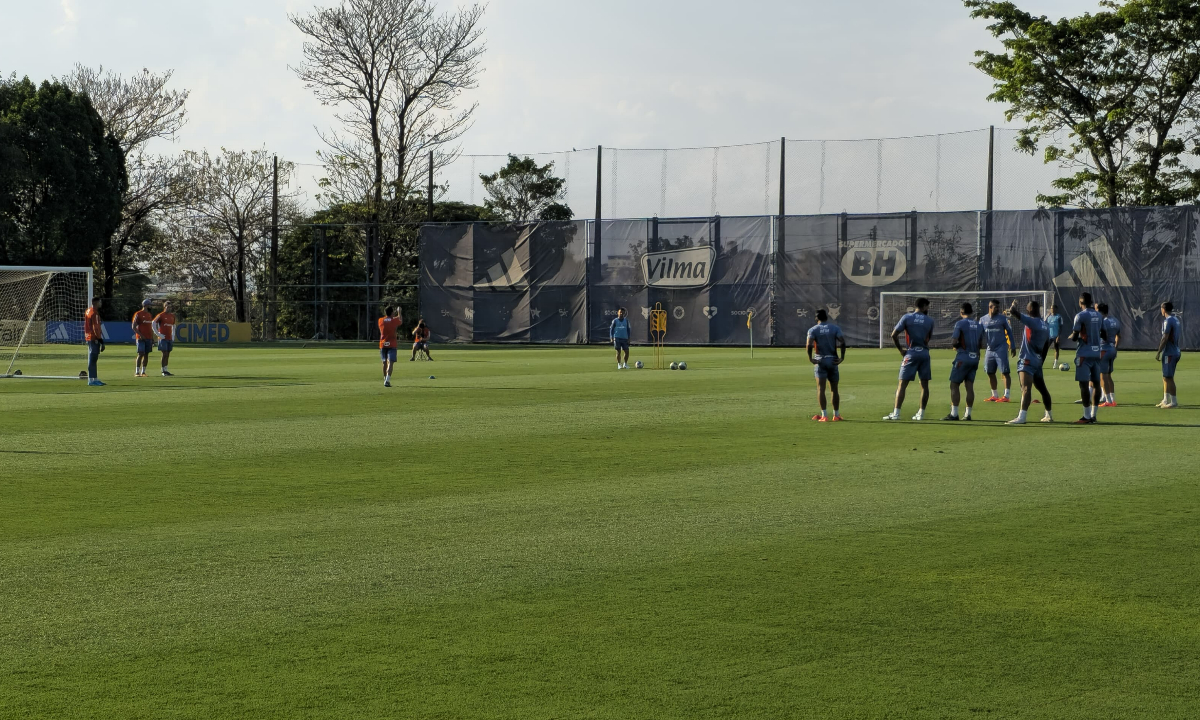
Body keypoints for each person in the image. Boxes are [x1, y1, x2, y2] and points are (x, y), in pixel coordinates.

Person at [884, 297, 934, 421]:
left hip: (911, 353)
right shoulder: (930, 321)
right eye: (927, 307)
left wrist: (901, 350)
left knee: (902, 384)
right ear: (923, 306)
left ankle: (896, 413)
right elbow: (928, 338)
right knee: (924, 385)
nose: (928, 309)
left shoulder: (907, 317)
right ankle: (921, 414)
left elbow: (893, 334)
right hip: (924, 354)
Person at [1005, 299, 1053, 424]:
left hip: (1027, 359)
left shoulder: (1031, 322)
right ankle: (1048, 414)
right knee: (1042, 389)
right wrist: (1041, 360)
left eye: (1027, 308)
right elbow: (1047, 345)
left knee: (1026, 388)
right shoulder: (1045, 325)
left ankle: (1022, 417)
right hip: (1037, 360)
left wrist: (1014, 306)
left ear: (1030, 309)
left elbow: (1013, 312)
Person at [1070, 292, 1107, 424]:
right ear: (1091, 302)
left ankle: (1086, 416)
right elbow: (1104, 334)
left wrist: (1073, 336)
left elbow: (1075, 336)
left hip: (1084, 354)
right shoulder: (1099, 315)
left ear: (1081, 303)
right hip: (1097, 353)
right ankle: (1093, 415)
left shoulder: (1080, 316)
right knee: (1096, 383)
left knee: (1084, 385)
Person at [943, 302, 983, 421]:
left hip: (963, 357)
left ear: (961, 312)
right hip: (975, 358)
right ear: (971, 312)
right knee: (969, 386)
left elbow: (954, 341)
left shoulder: (960, 323)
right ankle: (968, 414)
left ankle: (954, 414)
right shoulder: (979, 325)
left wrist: (957, 345)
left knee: (954, 384)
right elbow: (981, 344)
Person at [806, 308, 846, 422]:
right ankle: (836, 415)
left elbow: (809, 345)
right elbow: (842, 342)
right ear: (827, 317)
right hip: (833, 360)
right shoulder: (835, 328)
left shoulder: (813, 330)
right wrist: (842, 357)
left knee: (821, 389)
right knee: (834, 389)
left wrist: (810, 358)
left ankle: (824, 415)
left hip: (820, 361)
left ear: (816, 318)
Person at [981, 299, 1015, 402]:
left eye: (998, 307)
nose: (998, 309)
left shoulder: (1002, 318)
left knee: (1005, 372)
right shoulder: (983, 319)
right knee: (990, 372)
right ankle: (994, 395)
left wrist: (1012, 345)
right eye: (996, 307)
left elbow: (1009, 332)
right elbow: (979, 333)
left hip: (1001, 348)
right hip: (989, 349)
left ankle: (1006, 396)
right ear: (990, 307)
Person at [1156, 301, 1182, 408]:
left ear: (1163, 309)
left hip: (1170, 353)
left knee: (1169, 377)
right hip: (1175, 350)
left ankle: (1174, 402)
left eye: (1161, 308)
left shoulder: (1168, 321)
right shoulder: (1176, 319)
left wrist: (1158, 351)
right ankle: (1165, 399)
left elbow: (1165, 337)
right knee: (1165, 377)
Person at [1098, 303, 1120, 406]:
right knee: (1109, 375)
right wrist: (1115, 347)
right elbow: (1118, 336)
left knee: (1103, 376)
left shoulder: (1103, 321)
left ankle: (1107, 400)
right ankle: (1112, 398)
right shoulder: (1115, 320)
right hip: (1112, 348)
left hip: (1104, 349)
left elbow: (1103, 335)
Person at [378, 305, 402, 387]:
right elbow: (400, 320)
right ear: (392, 313)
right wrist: (399, 312)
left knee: (384, 362)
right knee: (390, 362)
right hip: (392, 343)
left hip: (383, 344)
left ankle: (385, 378)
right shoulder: (394, 320)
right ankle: (387, 380)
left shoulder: (380, 320)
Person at [84, 296, 105, 387]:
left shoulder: (88, 311)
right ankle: (92, 380)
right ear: (96, 303)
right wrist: (100, 340)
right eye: (100, 302)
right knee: (93, 359)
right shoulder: (94, 313)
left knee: (93, 359)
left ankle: (94, 378)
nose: (101, 304)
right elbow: (95, 327)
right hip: (93, 338)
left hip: (89, 337)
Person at [131, 299, 155, 377]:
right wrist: (140, 335)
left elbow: (149, 327)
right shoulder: (138, 314)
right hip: (141, 338)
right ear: (145, 305)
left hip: (148, 337)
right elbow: (134, 327)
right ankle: (137, 371)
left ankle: (143, 371)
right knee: (140, 353)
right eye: (149, 305)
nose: (150, 306)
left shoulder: (149, 315)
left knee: (146, 354)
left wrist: (152, 338)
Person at [152, 300, 176, 377]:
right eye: (167, 307)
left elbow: (173, 326)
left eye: (170, 307)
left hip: (169, 337)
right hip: (163, 337)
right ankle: (163, 370)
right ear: (164, 307)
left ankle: (166, 369)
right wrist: (158, 334)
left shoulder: (172, 316)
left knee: (168, 353)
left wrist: (173, 336)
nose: (169, 308)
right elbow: (153, 323)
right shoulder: (161, 315)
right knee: (164, 353)